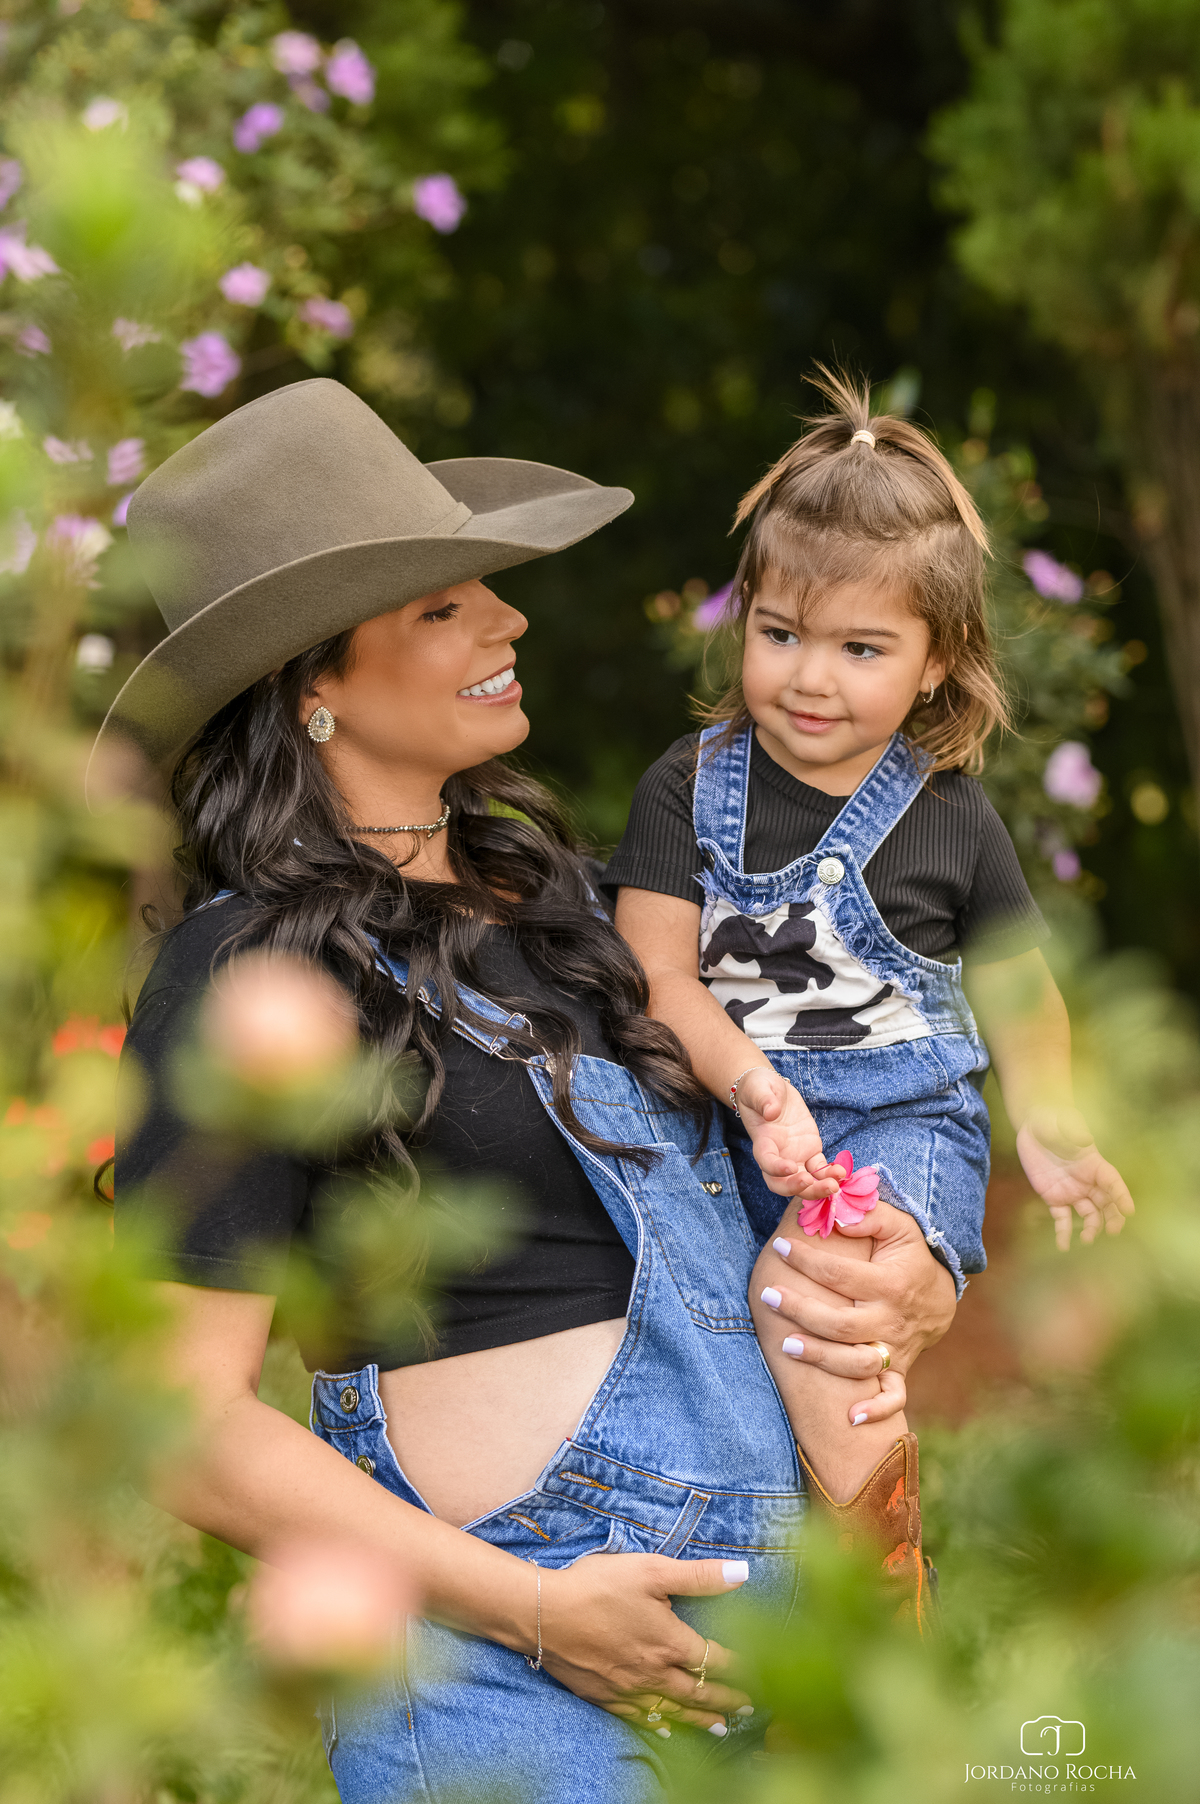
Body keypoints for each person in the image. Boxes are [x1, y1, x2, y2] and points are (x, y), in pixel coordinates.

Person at [102, 379, 956, 1804]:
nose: (507, 620)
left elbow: (858, 1108)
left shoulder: (590, 915)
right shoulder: (250, 973)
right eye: (443, 606)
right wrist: (533, 1608)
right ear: (312, 685)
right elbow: (177, 1419)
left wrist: (913, 1266)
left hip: (783, 1650)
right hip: (511, 1678)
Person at [608, 369, 1134, 1545]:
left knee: (819, 1303)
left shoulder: (949, 816)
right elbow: (659, 977)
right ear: (744, 619)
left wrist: (1049, 1118)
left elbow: (1020, 989)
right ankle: (759, 1576)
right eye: (780, 634)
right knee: (705, 1352)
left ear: (936, 660)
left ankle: (878, 1592)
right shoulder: (686, 789)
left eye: (860, 647)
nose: (810, 677)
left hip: (897, 1126)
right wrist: (754, 1088)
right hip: (726, 1123)